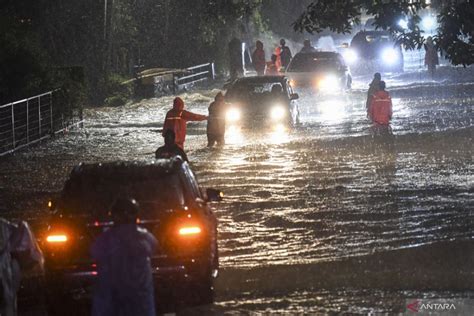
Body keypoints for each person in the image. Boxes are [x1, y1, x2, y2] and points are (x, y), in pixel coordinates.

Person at [91, 198, 158, 316]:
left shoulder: (105, 239)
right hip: (139, 297)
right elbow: (154, 248)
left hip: (112, 296)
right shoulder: (144, 237)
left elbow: (95, 253)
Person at [0, 219, 43, 316]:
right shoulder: (11, 230)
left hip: (11, 265)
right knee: (10, 298)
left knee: (9, 297)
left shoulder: (10, 231)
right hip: (12, 266)